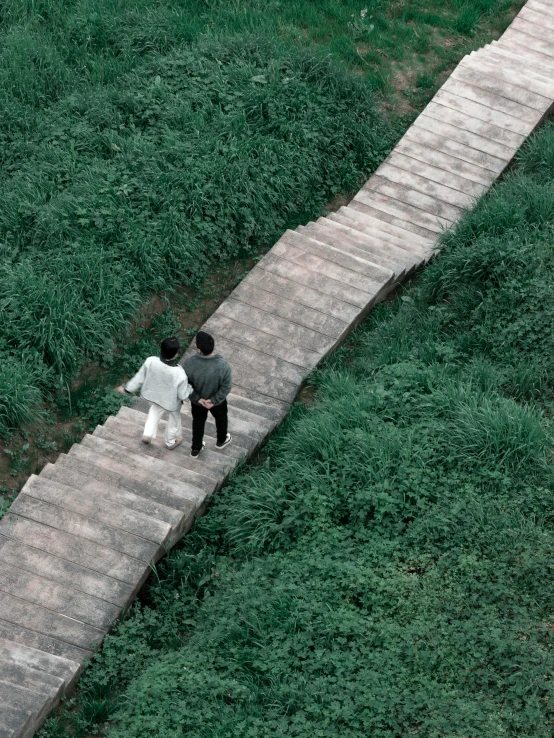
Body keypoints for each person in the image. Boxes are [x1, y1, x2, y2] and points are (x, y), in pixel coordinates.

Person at [115, 336, 192, 450]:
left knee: (154, 411)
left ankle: (148, 434)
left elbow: (139, 378)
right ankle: (170, 442)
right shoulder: (179, 373)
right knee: (174, 420)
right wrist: (190, 389)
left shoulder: (150, 361)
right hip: (170, 403)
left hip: (153, 396)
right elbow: (182, 395)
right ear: (176, 354)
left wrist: (127, 389)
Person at [182, 331, 232, 458]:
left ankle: (196, 449)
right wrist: (214, 400)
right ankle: (221, 440)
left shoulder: (188, 364)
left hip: (198, 403)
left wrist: (198, 399)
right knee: (221, 419)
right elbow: (226, 386)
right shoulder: (223, 366)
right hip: (217, 402)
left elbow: (184, 385)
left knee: (198, 423)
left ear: (198, 349)